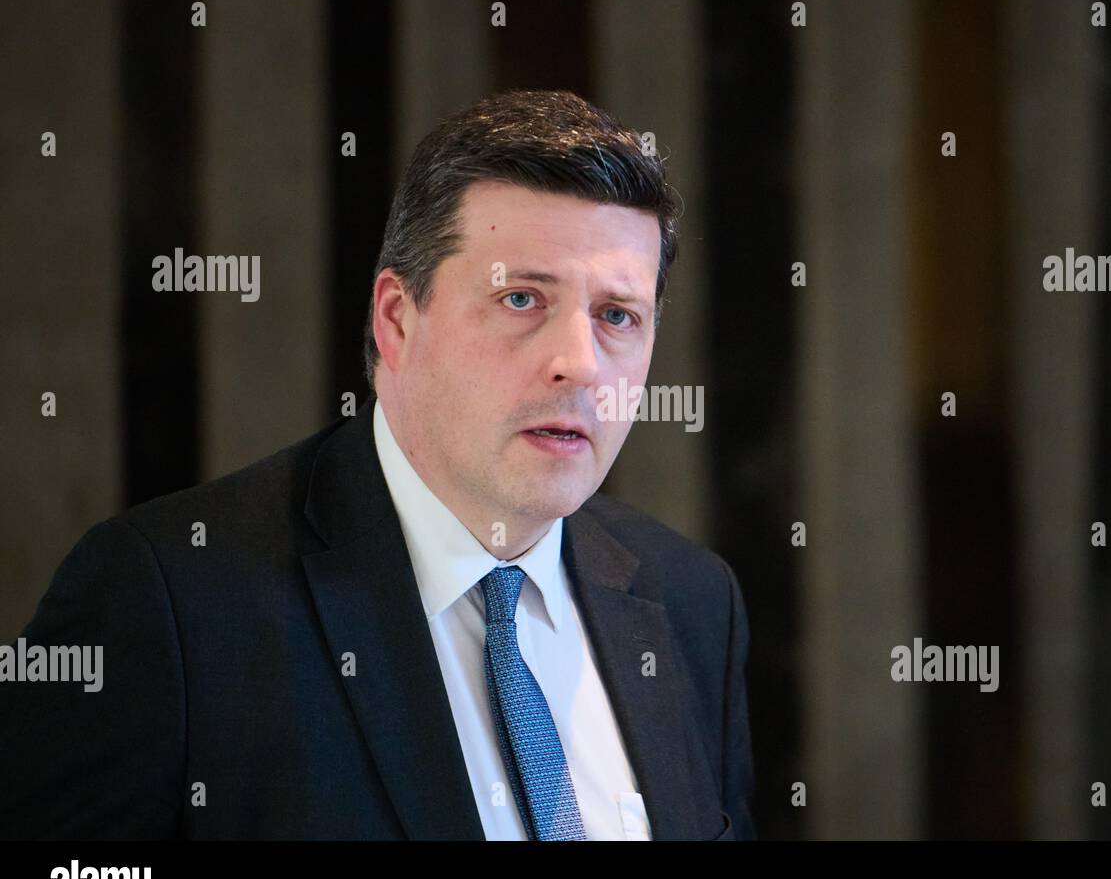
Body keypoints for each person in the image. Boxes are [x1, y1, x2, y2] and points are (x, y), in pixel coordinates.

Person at [0, 89, 755, 840]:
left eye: (617, 316)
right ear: (397, 318)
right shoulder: (170, 600)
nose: (579, 365)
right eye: (522, 299)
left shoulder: (692, 602)